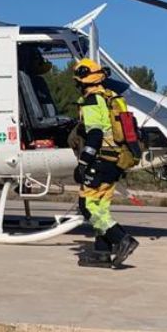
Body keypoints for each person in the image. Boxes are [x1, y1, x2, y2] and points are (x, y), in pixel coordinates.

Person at [70, 58, 139, 267]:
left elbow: (96, 134)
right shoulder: (110, 97)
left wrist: (83, 163)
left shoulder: (92, 100)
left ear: (82, 81)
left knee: (87, 206)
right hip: (116, 160)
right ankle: (101, 252)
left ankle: (122, 239)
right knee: (101, 207)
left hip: (101, 160)